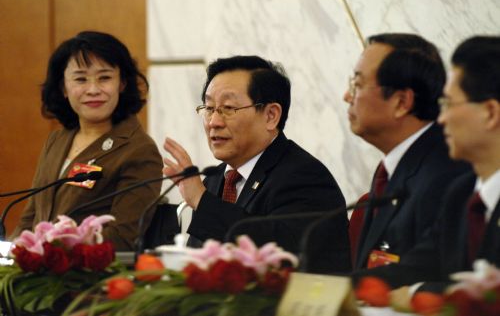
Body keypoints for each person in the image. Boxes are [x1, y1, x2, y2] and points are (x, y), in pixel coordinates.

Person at [163, 55, 350, 273]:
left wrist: (202, 201)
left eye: (228, 108)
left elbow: (279, 256)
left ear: (271, 116)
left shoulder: (305, 178)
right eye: (209, 107)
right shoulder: (215, 178)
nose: (214, 122)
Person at [354, 35, 500, 291]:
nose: (441, 119)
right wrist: (299, 288)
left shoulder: (444, 180)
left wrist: (416, 294)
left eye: (448, 104)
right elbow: (411, 271)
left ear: (490, 113)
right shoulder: (462, 193)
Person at [11, 31, 163, 251]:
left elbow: (123, 236)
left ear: (122, 84)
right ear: (64, 87)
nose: (93, 90)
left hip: (90, 277)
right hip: (40, 275)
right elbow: (31, 216)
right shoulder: (57, 140)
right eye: (81, 79)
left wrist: (51, 252)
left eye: (104, 78)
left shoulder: (138, 150)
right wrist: (16, 255)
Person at [344, 33, 470, 269]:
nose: (347, 96)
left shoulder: (446, 177)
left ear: (401, 103)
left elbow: (425, 277)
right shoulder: (395, 168)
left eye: (358, 85)